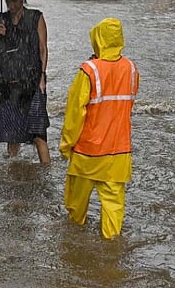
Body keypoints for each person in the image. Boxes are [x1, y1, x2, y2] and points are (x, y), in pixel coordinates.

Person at [59, 18, 139, 240]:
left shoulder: (89, 70)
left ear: (97, 38)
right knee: (114, 211)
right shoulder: (132, 69)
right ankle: (111, 254)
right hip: (119, 154)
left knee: (75, 210)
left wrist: (66, 145)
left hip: (88, 153)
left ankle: (74, 249)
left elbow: (75, 113)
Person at [0, 0, 49, 164]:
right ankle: (13, 171)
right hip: (10, 85)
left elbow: (43, 48)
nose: (11, 5)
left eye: (14, 0)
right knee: (12, 136)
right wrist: (0, 35)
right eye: (8, 0)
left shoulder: (36, 17)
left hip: (32, 83)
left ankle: (46, 174)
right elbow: (3, 53)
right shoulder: (2, 19)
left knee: (38, 134)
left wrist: (42, 76)